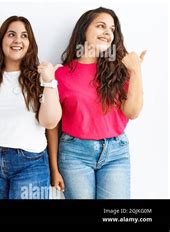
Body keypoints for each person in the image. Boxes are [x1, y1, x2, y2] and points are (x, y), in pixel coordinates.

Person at [48, 7, 145, 199]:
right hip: (74, 154)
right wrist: (53, 168)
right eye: (101, 26)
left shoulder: (120, 70)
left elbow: (132, 112)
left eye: (111, 29)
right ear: (84, 30)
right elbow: (52, 126)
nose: (108, 33)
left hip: (116, 153)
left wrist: (136, 71)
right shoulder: (61, 74)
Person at [0, 16, 62, 199]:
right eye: (11, 34)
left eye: (24, 36)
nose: (17, 40)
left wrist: (50, 82)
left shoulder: (41, 77)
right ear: (1, 40)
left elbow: (51, 124)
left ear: (30, 43)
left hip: (31, 164)